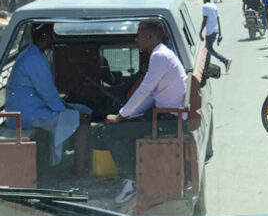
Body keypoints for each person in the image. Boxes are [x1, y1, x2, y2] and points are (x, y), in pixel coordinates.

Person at [104, 19, 187, 204]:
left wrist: (121, 116)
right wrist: (127, 114)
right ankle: (133, 178)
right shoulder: (161, 54)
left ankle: (131, 182)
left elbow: (145, 89)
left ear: (150, 37)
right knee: (125, 125)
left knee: (111, 132)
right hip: (165, 114)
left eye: (139, 35)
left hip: (167, 119)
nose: (136, 39)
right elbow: (151, 94)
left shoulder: (159, 56)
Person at [5, 23, 93, 177]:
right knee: (82, 119)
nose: (54, 38)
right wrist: (65, 109)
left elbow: (47, 93)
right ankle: (79, 169)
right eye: (51, 34)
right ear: (44, 36)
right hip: (25, 115)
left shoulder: (36, 54)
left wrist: (66, 107)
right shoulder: (33, 59)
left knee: (83, 110)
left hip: (32, 108)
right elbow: (47, 92)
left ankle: (77, 160)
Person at [200, 0, 232, 72]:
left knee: (209, 50)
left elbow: (204, 20)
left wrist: (200, 32)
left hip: (210, 31)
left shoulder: (205, 6)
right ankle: (206, 67)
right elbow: (218, 20)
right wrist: (220, 34)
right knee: (207, 49)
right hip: (215, 30)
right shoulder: (214, 6)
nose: (203, 0)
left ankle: (225, 61)